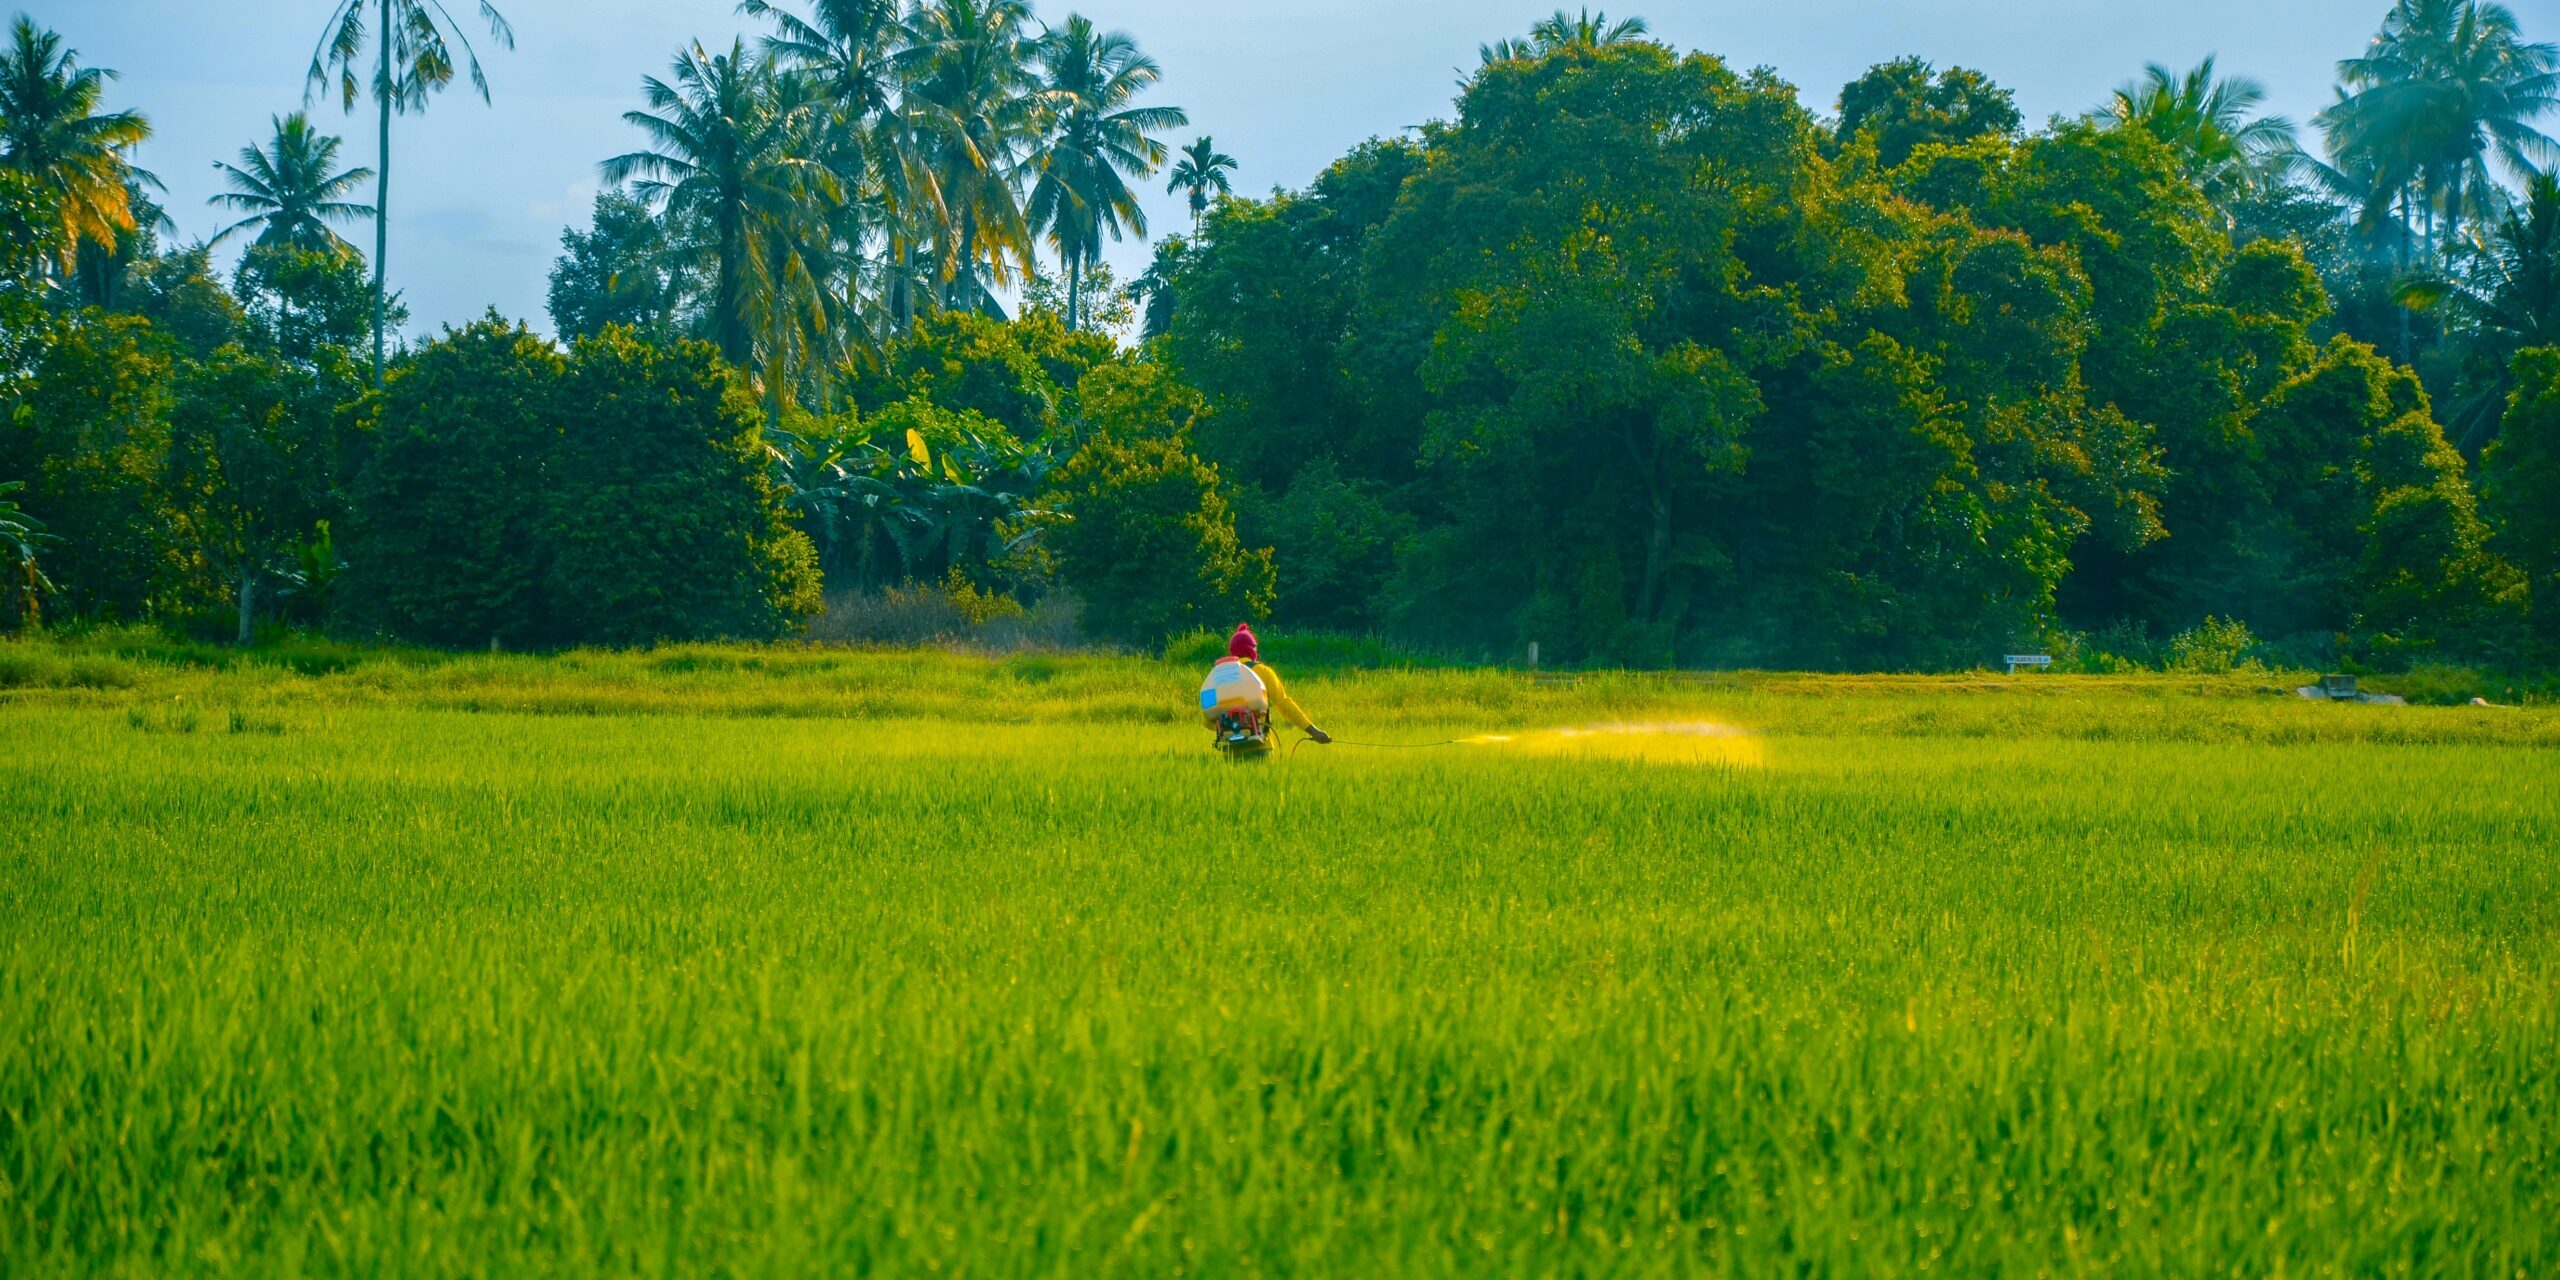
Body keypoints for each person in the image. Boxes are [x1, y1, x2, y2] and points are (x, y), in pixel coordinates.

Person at [1213, 622, 1330, 755]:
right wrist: (1314, 732)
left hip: (1230, 750)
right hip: (1260, 746)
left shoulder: (1219, 677)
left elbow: (1208, 719)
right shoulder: (1263, 671)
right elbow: (1284, 704)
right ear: (1252, 650)